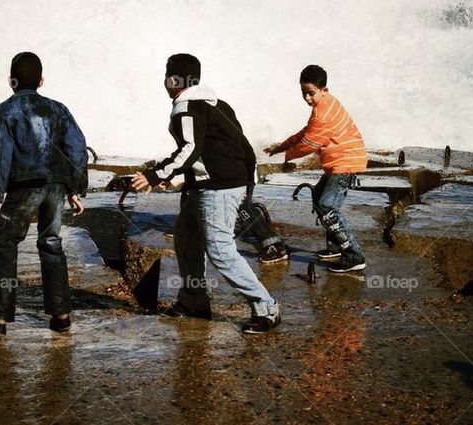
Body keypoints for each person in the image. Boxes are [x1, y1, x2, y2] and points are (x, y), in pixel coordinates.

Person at [131, 54, 281, 334]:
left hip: (218, 187)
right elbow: (227, 147)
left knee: (220, 250)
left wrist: (156, 174)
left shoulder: (186, 107)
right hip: (207, 185)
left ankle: (266, 307)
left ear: (173, 80)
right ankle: (193, 301)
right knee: (186, 240)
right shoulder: (216, 104)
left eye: (167, 77)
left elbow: (190, 149)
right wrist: (181, 178)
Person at [0, 51, 88, 337]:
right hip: (55, 186)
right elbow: (76, 148)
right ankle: (61, 315)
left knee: (3, 244)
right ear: (41, 81)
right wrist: (75, 189)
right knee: (51, 242)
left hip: (23, 186)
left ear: (11, 81)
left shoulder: (6, 111)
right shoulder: (58, 109)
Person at [264, 64, 368, 273]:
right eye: (303, 93)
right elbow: (306, 132)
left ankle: (354, 255)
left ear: (323, 90)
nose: (307, 98)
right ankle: (336, 246)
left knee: (327, 206)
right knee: (319, 195)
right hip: (340, 160)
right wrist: (281, 146)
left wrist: (286, 156)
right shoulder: (324, 104)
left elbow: (309, 143)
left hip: (345, 161)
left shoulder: (323, 113)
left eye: (311, 93)